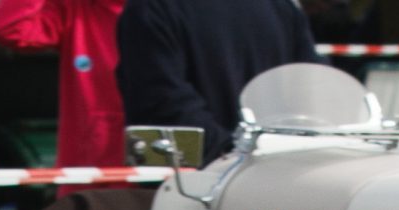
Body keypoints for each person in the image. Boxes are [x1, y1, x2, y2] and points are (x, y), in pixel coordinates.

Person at [115, 0, 320, 162]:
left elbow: (163, 103)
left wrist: (236, 156)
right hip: (269, 179)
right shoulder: (282, 8)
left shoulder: (151, 7)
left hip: (198, 187)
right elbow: (315, 94)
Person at [0, 0, 126, 175]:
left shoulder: (162, 12)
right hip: (88, 177)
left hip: (155, 174)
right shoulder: (74, 8)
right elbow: (8, 29)